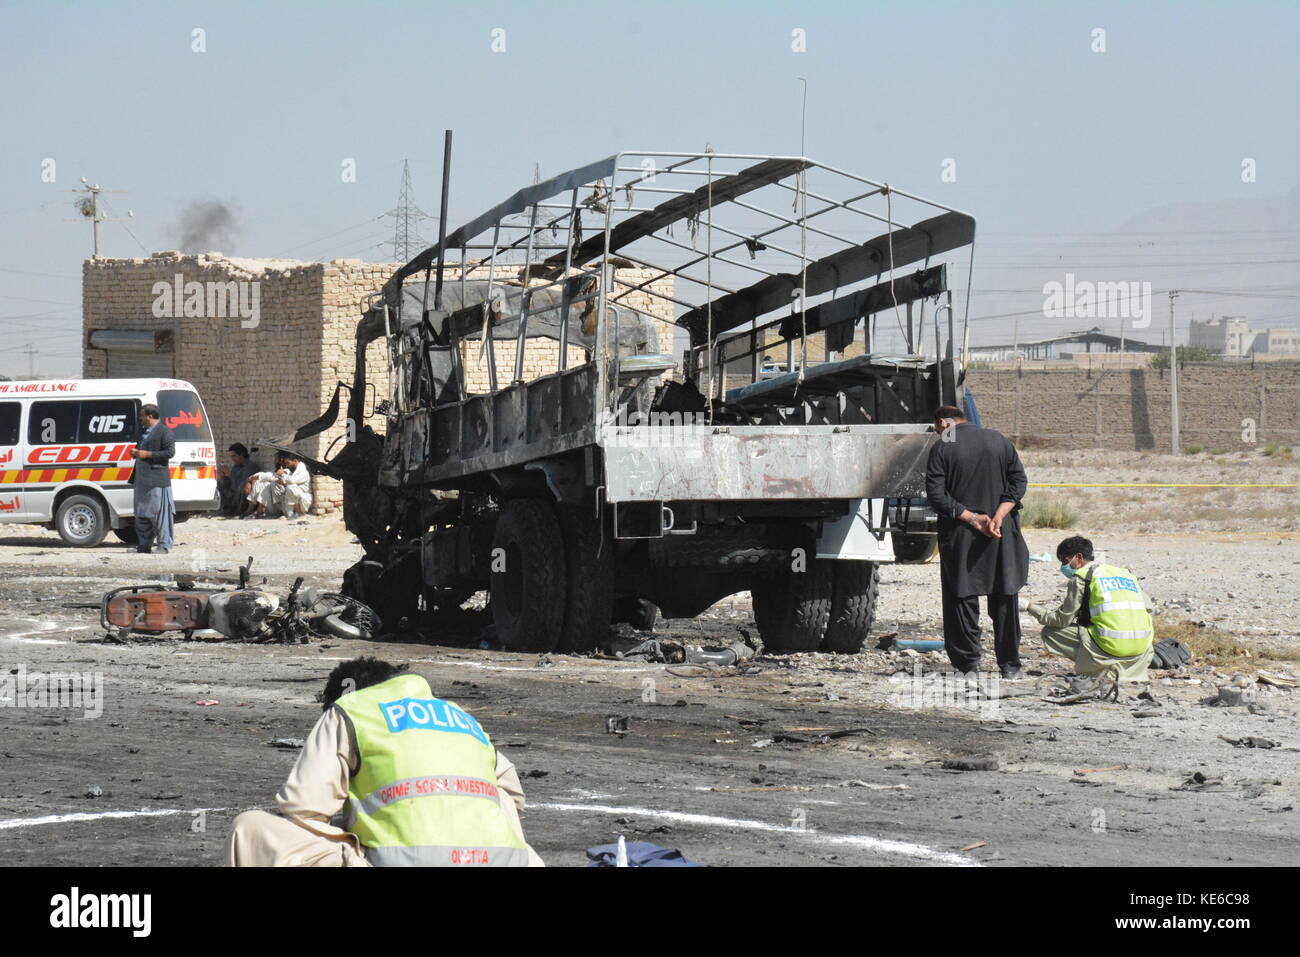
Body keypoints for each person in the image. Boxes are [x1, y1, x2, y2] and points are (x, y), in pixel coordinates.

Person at [226, 657, 542, 866]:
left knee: (249, 829)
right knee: (496, 798)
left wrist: (349, 825)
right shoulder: (461, 717)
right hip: (501, 861)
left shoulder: (351, 709)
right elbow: (511, 795)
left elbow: (301, 806)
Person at [925, 404, 1030, 678]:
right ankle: (1010, 666)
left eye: (938, 429)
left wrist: (974, 519)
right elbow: (1018, 482)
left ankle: (968, 666)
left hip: (962, 536)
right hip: (1001, 533)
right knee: (1005, 598)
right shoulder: (996, 438)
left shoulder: (944, 446)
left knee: (962, 599)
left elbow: (937, 497)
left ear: (944, 423)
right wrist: (998, 515)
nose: (939, 434)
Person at [1022, 535, 1155, 682]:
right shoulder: (1125, 574)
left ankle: (1097, 668)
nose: (1063, 568)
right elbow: (1148, 609)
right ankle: (1126, 669)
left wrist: (1029, 607)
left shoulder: (1082, 578)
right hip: (1141, 648)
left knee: (1051, 632)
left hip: (1111, 646)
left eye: (1065, 561)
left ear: (1079, 557)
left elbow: (1061, 620)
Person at [129, 404, 175, 554]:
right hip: (142, 479)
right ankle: (144, 545)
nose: (140, 419)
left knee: (159, 514)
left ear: (149, 416)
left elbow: (169, 453)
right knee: (141, 513)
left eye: (142, 416)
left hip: (157, 479)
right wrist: (136, 453)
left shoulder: (164, 431)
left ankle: (164, 545)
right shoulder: (143, 433)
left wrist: (147, 454)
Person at [245, 451, 312, 518]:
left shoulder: (301, 471)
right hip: (285, 502)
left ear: (295, 461)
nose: (275, 462)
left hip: (302, 502)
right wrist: (250, 479)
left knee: (291, 487)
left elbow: (292, 480)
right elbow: (269, 476)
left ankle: (298, 512)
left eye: (287, 463)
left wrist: (282, 476)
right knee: (261, 483)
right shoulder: (289, 470)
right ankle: (258, 511)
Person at [217, 442, 257, 516]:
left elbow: (240, 486)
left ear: (241, 454)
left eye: (234, 456)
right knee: (217, 484)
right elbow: (229, 484)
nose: (232, 459)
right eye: (231, 456)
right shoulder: (236, 467)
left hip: (240, 497)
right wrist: (224, 476)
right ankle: (225, 509)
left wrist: (229, 474)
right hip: (232, 495)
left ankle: (234, 510)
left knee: (243, 485)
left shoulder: (250, 467)